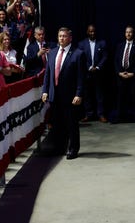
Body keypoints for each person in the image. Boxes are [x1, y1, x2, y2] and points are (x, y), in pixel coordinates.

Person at [41, 27, 86, 160]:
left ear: (70, 38)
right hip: (55, 95)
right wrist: (45, 90)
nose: (62, 38)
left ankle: (73, 149)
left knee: (71, 124)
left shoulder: (78, 54)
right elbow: (47, 74)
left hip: (70, 96)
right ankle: (59, 148)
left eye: (64, 36)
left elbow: (81, 77)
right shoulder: (53, 52)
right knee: (57, 124)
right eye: (60, 36)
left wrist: (79, 94)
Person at [77, 24, 109, 123]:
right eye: (90, 31)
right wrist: (89, 67)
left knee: (99, 95)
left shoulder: (102, 43)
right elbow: (82, 58)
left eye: (94, 31)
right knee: (87, 95)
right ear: (87, 32)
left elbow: (105, 57)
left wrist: (98, 67)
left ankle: (101, 114)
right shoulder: (81, 44)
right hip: (86, 73)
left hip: (99, 73)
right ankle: (88, 114)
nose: (92, 33)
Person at [112, 26, 135, 124]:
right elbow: (116, 61)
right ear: (125, 33)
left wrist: (133, 73)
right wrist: (119, 72)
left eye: (130, 32)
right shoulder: (120, 46)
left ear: (133, 33)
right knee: (120, 98)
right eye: (127, 32)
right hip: (121, 76)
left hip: (133, 76)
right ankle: (119, 117)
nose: (128, 34)